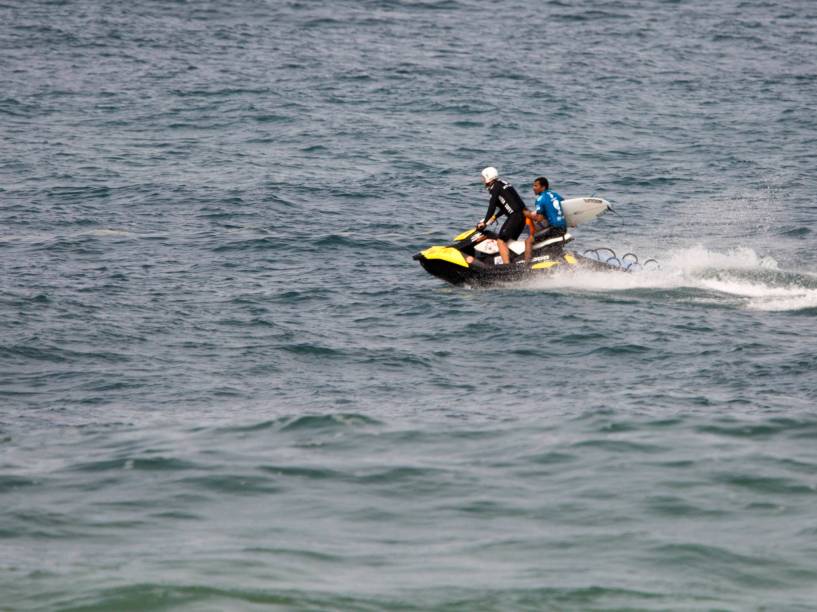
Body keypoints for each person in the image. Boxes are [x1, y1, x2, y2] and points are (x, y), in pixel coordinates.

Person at [476, 167, 527, 265]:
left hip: (515, 217)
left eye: (483, 177)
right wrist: (494, 218)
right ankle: (514, 263)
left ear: (488, 177)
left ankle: (507, 267)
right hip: (522, 217)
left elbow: (492, 206)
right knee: (509, 243)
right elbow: (506, 206)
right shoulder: (503, 183)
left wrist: (484, 223)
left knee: (500, 241)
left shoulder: (495, 187)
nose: (482, 180)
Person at [523, 176, 567, 261]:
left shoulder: (540, 199)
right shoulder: (555, 194)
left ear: (543, 187)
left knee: (528, 241)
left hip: (555, 229)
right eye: (533, 186)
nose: (533, 188)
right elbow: (564, 205)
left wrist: (527, 214)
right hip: (563, 228)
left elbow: (539, 219)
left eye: (536, 186)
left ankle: (526, 266)